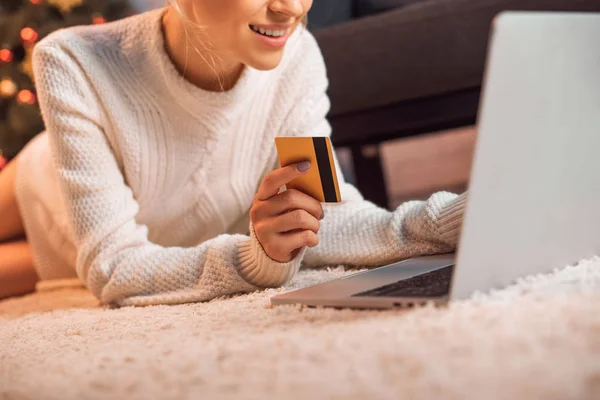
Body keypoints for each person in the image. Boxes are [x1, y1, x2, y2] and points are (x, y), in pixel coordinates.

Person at [0, 0, 466, 306]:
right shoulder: (74, 60)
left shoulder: (297, 58)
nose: (290, 8)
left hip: (87, 254)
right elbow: (114, 266)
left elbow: (327, 217)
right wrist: (252, 261)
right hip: (56, 193)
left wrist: (454, 219)